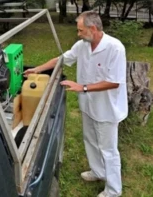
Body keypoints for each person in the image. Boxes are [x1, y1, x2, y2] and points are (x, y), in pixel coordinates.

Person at [24, 11, 127, 197]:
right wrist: (37, 69)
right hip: (88, 105)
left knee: (108, 149)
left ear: (93, 29)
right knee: (90, 140)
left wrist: (83, 87)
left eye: (80, 30)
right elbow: (62, 59)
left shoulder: (115, 48)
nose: (78, 34)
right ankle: (98, 172)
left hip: (107, 109)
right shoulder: (82, 45)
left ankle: (113, 190)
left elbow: (114, 82)